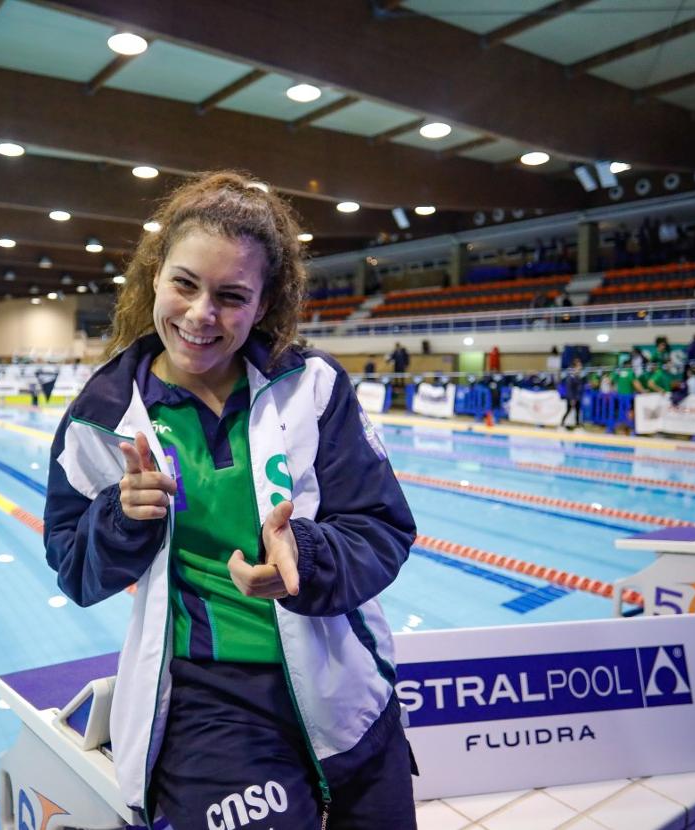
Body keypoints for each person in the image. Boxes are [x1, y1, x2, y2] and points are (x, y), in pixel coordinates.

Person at [42, 172, 419, 830]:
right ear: (155, 276)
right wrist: (120, 519)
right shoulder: (102, 416)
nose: (200, 315)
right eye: (185, 284)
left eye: (231, 296)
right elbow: (73, 566)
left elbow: (382, 529)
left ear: (264, 302)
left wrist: (304, 554)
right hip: (209, 701)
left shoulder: (314, 388)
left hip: (345, 685)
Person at [561, 357, 584, 430]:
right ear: (575, 366)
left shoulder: (578, 376)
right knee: (568, 410)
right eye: (579, 365)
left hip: (577, 397)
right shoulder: (571, 376)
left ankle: (577, 426)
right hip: (572, 397)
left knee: (578, 411)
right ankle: (562, 424)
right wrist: (572, 399)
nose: (581, 367)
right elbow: (569, 388)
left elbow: (579, 387)